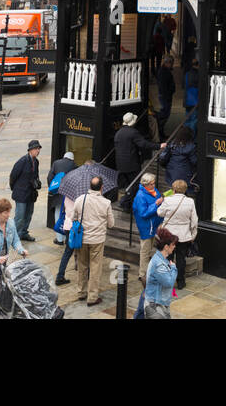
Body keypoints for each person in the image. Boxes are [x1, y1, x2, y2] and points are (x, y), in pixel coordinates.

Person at [64, 176, 114, 306]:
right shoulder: (106, 203)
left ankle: (81, 292)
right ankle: (92, 296)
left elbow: (73, 217)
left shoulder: (80, 199)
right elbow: (111, 224)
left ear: (89, 186)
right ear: (102, 187)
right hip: (97, 240)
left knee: (82, 266)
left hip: (82, 238)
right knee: (95, 268)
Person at [157, 178, 198, 290]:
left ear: (173, 189)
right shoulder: (190, 202)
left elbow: (159, 213)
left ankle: (167, 281)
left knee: (167, 258)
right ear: (185, 190)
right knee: (181, 259)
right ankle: (181, 282)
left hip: (169, 235)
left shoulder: (168, 200)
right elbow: (194, 221)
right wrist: (193, 235)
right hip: (183, 235)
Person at [114, 112, 162, 195]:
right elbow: (144, 144)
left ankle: (127, 199)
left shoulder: (118, 133)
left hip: (120, 163)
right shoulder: (133, 132)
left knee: (127, 183)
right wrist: (159, 146)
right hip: (132, 164)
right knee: (135, 184)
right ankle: (126, 202)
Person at [140, 227, 179, 319]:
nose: (174, 246)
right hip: (156, 306)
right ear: (166, 247)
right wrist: (173, 268)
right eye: (173, 244)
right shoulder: (159, 264)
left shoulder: (161, 260)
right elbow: (169, 282)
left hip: (159, 304)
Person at [9, 140, 42, 242]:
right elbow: (13, 176)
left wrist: (37, 183)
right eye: (36, 149)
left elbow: (36, 175)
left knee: (28, 215)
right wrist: (15, 188)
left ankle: (23, 233)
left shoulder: (36, 162)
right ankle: (14, 236)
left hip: (31, 194)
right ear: (30, 150)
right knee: (19, 216)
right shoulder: (22, 161)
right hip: (21, 194)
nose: (38, 151)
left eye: (39, 149)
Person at [47, 149, 76, 237]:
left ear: (64, 156)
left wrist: (53, 190)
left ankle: (59, 239)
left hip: (58, 193)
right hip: (69, 195)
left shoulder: (56, 163)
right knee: (67, 215)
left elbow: (49, 178)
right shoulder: (74, 166)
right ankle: (66, 236)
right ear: (72, 159)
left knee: (58, 213)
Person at [155, 55, 177, 131]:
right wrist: (167, 96)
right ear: (167, 63)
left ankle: (160, 129)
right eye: (171, 63)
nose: (172, 65)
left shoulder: (165, 71)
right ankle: (159, 128)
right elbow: (163, 86)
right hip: (165, 96)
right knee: (164, 113)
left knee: (165, 113)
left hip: (166, 95)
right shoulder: (163, 72)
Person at [182, 60, 200, 130]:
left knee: (187, 119)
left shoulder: (187, 74)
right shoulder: (198, 75)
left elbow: (183, 86)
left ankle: (185, 136)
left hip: (187, 100)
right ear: (197, 65)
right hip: (194, 101)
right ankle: (191, 137)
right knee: (194, 120)